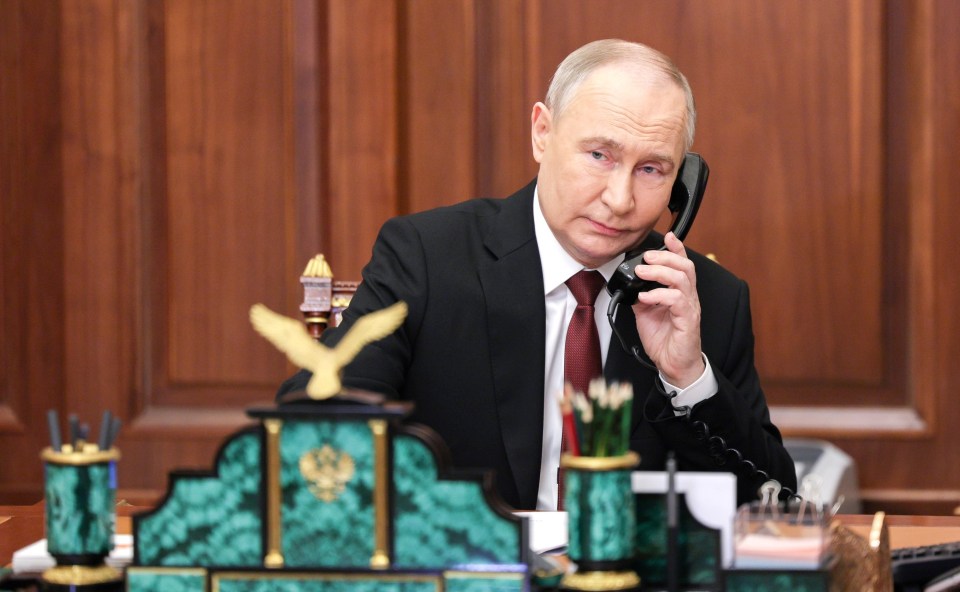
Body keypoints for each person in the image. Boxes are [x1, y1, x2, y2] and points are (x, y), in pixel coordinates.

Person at [278, 39, 796, 509]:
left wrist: (687, 378)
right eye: (599, 155)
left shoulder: (708, 299)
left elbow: (773, 502)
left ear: (682, 184)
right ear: (542, 133)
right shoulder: (428, 260)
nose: (620, 201)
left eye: (651, 170)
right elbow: (315, 430)